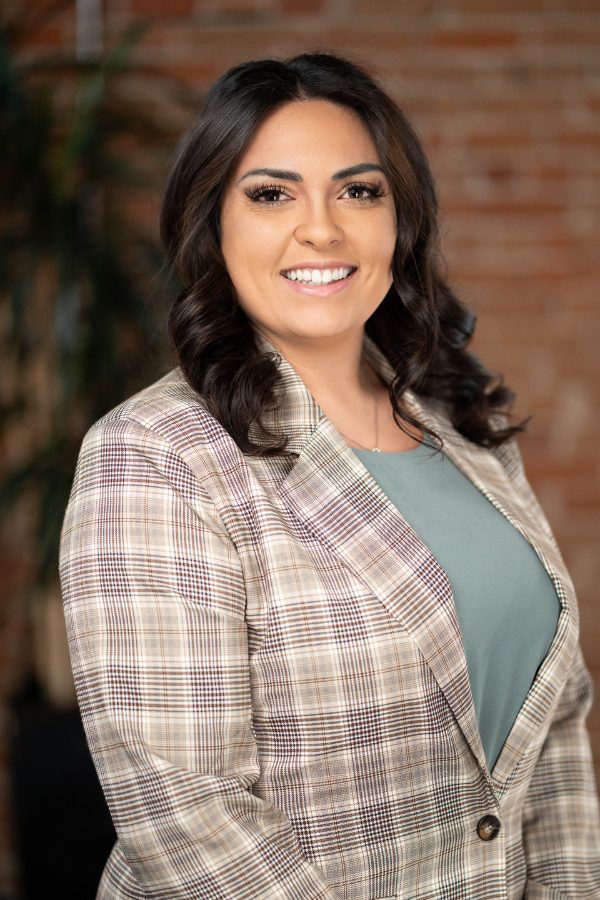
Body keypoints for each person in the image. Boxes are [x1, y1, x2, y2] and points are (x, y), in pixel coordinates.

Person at [59, 50, 600, 899]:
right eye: (272, 194)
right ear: (214, 225)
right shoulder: (155, 454)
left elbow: (556, 726)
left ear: (399, 220)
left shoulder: (466, 425)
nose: (323, 229)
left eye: (359, 190)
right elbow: (185, 815)